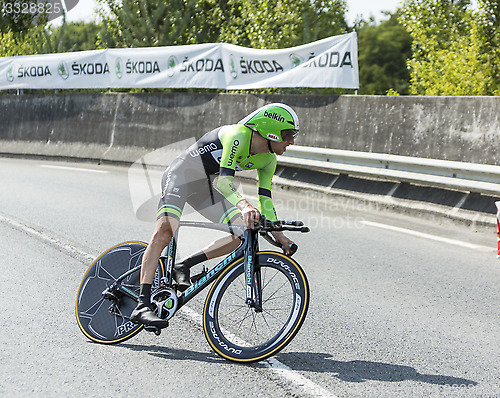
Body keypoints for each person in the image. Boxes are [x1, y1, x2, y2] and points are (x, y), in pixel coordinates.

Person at [130, 102, 300, 328]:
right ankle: (142, 305)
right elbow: (223, 180)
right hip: (181, 175)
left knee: (242, 232)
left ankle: (185, 264)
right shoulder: (237, 135)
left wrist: (281, 237)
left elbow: (266, 202)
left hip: (204, 187)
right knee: (165, 231)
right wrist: (244, 205)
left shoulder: (268, 160)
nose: (292, 141)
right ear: (270, 130)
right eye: (288, 134)